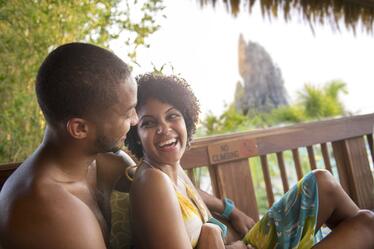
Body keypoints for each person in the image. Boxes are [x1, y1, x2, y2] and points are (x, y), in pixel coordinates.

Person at [125, 73, 374, 249]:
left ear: (186, 121)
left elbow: (192, 195)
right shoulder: (152, 182)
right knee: (365, 225)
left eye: (172, 116)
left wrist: (230, 210)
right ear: (136, 133)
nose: (164, 129)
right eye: (149, 123)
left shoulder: (171, 170)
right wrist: (211, 234)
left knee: (323, 182)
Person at [0, 43, 139, 249]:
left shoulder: (98, 161)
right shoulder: (50, 209)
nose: (136, 120)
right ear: (80, 128)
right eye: (127, 114)